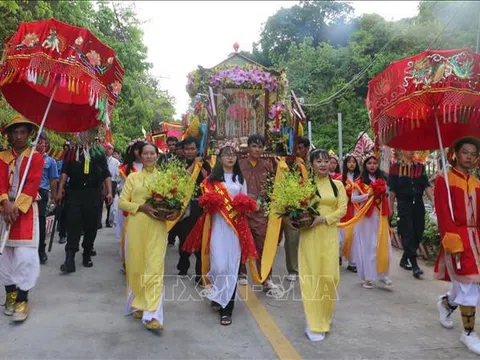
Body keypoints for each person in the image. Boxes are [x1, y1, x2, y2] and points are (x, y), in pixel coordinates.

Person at [183, 144, 258, 325]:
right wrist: (210, 202)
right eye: (226, 154)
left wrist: (243, 205)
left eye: (233, 155)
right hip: (217, 225)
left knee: (231, 268)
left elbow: (246, 200)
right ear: (220, 157)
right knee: (219, 266)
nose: (230, 158)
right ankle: (217, 294)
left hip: (235, 228)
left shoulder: (240, 178)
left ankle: (227, 309)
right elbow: (204, 202)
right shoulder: (211, 180)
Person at [284, 149, 346, 341]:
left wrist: (324, 219)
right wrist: (291, 219)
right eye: (318, 161)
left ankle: (324, 318)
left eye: (326, 161)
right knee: (311, 277)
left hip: (328, 235)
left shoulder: (337, 186)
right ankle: (312, 322)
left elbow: (342, 209)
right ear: (311, 164)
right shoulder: (305, 186)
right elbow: (292, 208)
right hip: (309, 236)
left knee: (330, 278)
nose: (323, 164)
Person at [119, 142, 178, 331]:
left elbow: (176, 200)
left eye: (153, 153)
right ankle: (138, 302)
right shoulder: (133, 178)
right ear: (140, 156)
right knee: (136, 266)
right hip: (136, 226)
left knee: (154, 268)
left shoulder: (166, 178)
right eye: (146, 153)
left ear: (157, 156)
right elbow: (122, 203)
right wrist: (141, 207)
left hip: (157, 227)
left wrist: (175, 211)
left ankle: (153, 314)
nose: (149, 156)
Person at [434, 137, 480, 355]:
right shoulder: (444, 179)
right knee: (469, 287)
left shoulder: (478, 183)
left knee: (468, 286)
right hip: (458, 238)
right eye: (465, 152)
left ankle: (446, 304)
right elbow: (443, 213)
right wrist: (452, 241)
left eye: (473, 154)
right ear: (456, 154)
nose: (469, 157)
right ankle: (468, 333)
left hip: (477, 239)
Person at [0, 115, 44, 323]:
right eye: (14, 132)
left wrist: (15, 208)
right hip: (2, 209)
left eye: (22, 132)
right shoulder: (1, 157)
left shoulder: (35, 157)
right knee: (4, 255)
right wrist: (5, 203)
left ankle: (23, 298)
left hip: (25, 211)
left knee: (25, 256)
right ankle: (10, 294)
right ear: (8, 135)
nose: (18, 136)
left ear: (29, 134)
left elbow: (33, 184)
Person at [56, 144, 112, 273]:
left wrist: (109, 191)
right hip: (74, 193)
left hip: (93, 194)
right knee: (73, 225)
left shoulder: (98, 152)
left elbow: (105, 173)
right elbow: (64, 172)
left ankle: (87, 252)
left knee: (91, 226)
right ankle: (69, 258)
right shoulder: (71, 152)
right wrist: (60, 190)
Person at [239, 134, 277, 290]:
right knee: (241, 242)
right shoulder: (240, 164)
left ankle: (266, 277)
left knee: (262, 244)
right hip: (242, 209)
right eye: (254, 146)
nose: (257, 149)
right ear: (248, 147)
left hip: (261, 210)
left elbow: (272, 186)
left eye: (260, 146)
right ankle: (241, 274)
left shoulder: (267, 165)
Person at [349, 153, 392, 289]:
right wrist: (368, 195)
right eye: (369, 163)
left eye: (374, 163)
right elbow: (353, 199)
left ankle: (383, 274)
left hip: (381, 215)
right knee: (369, 245)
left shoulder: (383, 178)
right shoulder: (360, 181)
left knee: (382, 244)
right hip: (367, 218)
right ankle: (368, 277)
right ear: (365, 165)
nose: (372, 166)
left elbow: (388, 195)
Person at [388, 150, 434, 279]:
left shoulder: (420, 167)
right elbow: (392, 190)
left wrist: (434, 201)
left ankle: (404, 259)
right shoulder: (395, 167)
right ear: (400, 151)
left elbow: (427, 185)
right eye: (406, 149)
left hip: (418, 204)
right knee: (408, 233)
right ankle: (415, 265)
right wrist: (390, 207)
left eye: (412, 149)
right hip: (404, 205)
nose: (410, 152)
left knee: (418, 232)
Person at [176, 137, 211, 283]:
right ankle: (183, 267)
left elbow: (209, 180)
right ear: (183, 151)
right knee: (184, 237)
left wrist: (200, 166)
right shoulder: (179, 163)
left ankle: (199, 273)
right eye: (187, 149)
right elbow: (182, 178)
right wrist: (193, 166)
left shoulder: (205, 163)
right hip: (184, 205)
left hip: (200, 205)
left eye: (192, 149)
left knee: (200, 239)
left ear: (197, 149)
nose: (190, 152)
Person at [283, 136, 310, 282]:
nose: (298, 151)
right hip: (291, 204)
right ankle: (293, 270)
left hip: (309, 205)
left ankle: (306, 267)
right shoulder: (290, 163)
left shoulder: (313, 163)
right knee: (291, 240)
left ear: (307, 149)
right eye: (296, 149)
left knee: (307, 239)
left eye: (301, 148)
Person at [116, 140, 144, 270]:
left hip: (145, 209)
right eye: (138, 149)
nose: (141, 153)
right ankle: (127, 262)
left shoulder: (150, 168)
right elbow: (120, 187)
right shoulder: (125, 168)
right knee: (127, 236)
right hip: (128, 207)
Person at [36, 132, 58, 264]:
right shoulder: (28, 158)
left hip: (42, 193)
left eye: (42, 142)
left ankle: (41, 250)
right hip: (27, 193)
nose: (40, 144)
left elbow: (52, 180)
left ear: (46, 144)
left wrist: (54, 196)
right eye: (37, 141)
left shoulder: (50, 161)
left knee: (40, 222)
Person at [339, 154, 360, 273]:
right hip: (344, 210)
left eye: (354, 162)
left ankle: (352, 262)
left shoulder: (360, 178)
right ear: (346, 164)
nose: (352, 164)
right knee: (343, 237)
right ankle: (339, 256)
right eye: (349, 162)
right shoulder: (340, 179)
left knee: (354, 237)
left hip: (357, 210)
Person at [56, 142, 70, 244]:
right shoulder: (59, 162)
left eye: (67, 149)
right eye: (64, 148)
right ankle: (62, 234)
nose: (66, 150)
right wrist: (60, 188)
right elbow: (57, 176)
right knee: (62, 211)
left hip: (71, 188)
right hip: (62, 187)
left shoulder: (72, 161)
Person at [106, 143, 121, 228]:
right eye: (107, 149)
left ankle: (109, 220)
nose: (108, 150)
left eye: (110, 149)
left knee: (110, 202)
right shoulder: (102, 159)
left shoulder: (116, 162)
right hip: (102, 182)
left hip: (112, 182)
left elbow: (118, 174)